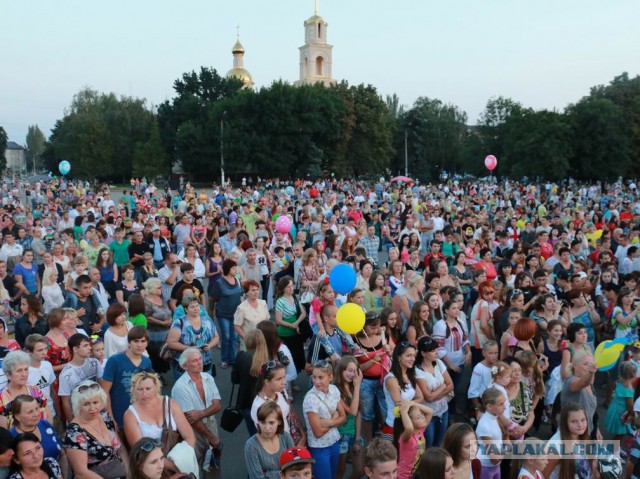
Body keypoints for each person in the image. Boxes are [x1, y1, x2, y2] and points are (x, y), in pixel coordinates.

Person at [171, 348, 222, 478]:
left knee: (213, 465)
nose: (200, 362)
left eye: (200, 359)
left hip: (210, 424)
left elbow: (217, 405)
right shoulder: (180, 387)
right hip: (192, 431)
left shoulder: (208, 378)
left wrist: (200, 414)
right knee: (193, 467)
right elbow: (191, 420)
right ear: (185, 365)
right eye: (194, 360)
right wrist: (211, 437)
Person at [63, 380, 127, 479]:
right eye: (86, 404)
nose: (92, 408)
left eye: (95, 402)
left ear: (101, 401)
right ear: (78, 405)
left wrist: (130, 472)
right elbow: (81, 473)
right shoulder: (74, 432)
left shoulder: (105, 417)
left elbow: (121, 449)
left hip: (119, 471)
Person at [123, 370, 195, 456]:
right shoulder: (130, 415)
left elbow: (190, 437)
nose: (144, 393)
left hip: (179, 458)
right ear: (133, 390)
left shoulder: (171, 404)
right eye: (140, 389)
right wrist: (172, 466)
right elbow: (140, 452)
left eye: (148, 389)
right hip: (151, 464)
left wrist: (183, 460)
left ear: (156, 387)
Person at [99, 326, 152, 430]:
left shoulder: (147, 362)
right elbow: (104, 391)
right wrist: (110, 418)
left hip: (141, 414)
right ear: (129, 342)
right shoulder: (114, 361)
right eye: (136, 341)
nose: (139, 345)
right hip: (118, 413)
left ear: (147, 343)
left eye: (143, 341)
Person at [303, 360, 346, 479]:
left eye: (320, 377)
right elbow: (317, 433)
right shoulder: (310, 399)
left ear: (330, 377)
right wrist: (335, 418)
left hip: (334, 442)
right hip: (319, 448)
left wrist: (327, 422)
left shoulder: (334, 390)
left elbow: (343, 417)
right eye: (314, 377)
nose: (316, 381)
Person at [166, 293, 219, 379]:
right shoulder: (179, 323)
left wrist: (209, 345)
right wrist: (188, 348)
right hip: (185, 365)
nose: (196, 309)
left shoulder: (207, 320)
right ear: (186, 309)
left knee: (204, 390)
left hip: (205, 363)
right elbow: (171, 343)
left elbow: (216, 337)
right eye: (192, 307)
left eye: (197, 306)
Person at [415, 336, 453, 447]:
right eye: (432, 351)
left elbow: (451, 385)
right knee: (429, 444)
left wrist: (435, 394)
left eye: (436, 349)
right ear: (423, 353)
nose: (436, 352)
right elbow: (428, 398)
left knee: (439, 443)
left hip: (443, 410)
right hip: (428, 415)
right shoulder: (418, 371)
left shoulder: (439, 363)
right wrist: (442, 388)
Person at [382, 341, 423, 440]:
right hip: (394, 426)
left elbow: (421, 397)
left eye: (413, 355)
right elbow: (400, 405)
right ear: (398, 357)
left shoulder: (409, 375)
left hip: (409, 423)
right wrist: (411, 403)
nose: (413, 359)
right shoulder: (391, 379)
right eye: (409, 355)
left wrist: (408, 403)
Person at [542, 402, 595, 479]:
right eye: (574, 421)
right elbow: (543, 475)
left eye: (583, 420)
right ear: (565, 423)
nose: (580, 425)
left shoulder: (582, 436)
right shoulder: (555, 446)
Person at [244, 401, 294, 479]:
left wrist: (268, 474)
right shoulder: (251, 445)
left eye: (271, 423)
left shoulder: (286, 437)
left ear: (279, 422)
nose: (267, 428)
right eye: (263, 423)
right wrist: (282, 474)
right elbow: (256, 477)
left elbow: (294, 468)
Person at [0, 352, 50, 429]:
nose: (24, 374)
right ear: (8, 375)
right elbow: (4, 432)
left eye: (26, 369)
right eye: (19, 370)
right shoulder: (2, 401)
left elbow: (49, 417)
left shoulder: (35, 391)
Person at [58, 334, 101, 422]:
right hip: (79, 418)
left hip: (97, 413)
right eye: (85, 345)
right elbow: (66, 402)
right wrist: (73, 423)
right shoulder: (66, 374)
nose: (90, 348)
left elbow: (101, 387)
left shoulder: (95, 363)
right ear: (75, 349)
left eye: (89, 344)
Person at [333, 356, 364, 479]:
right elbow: (352, 411)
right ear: (341, 370)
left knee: (360, 470)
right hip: (341, 436)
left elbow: (359, 414)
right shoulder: (334, 389)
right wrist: (357, 387)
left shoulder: (353, 387)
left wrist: (357, 438)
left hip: (354, 434)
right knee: (340, 471)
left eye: (355, 371)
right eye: (349, 370)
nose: (352, 374)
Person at [233, 329, 268, 436]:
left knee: (253, 435)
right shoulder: (268, 361)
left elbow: (235, 380)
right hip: (265, 405)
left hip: (246, 403)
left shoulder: (241, 356)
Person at [210, 259, 243, 369]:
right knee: (226, 337)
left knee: (234, 337)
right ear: (228, 269)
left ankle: (232, 359)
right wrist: (211, 312)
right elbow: (212, 298)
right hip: (223, 314)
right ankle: (224, 359)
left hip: (236, 314)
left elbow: (241, 295)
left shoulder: (237, 280)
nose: (236, 270)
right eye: (233, 268)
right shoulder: (219, 283)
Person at [9, 395, 61, 463]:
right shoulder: (11, 437)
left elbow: (62, 454)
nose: (36, 414)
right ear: (17, 416)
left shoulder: (45, 424)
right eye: (30, 412)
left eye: (37, 408)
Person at [560, 350, 598, 439]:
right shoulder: (571, 381)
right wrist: (591, 372)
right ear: (575, 365)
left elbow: (591, 411)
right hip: (571, 435)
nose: (589, 367)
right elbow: (582, 383)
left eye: (591, 364)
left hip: (586, 432)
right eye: (586, 364)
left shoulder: (590, 384)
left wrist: (596, 429)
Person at [393, 400, 434, 479]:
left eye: (422, 414)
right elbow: (409, 428)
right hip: (404, 476)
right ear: (409, 422)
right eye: (418, 417)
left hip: (416, 474)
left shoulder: (420, 431)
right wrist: (404, 411)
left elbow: (430, 412)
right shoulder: (406, 438)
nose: (423, 417)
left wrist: (412, 403)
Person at [275, 276, 307, 373]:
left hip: (296, 333)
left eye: (292, 285)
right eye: (288, 286)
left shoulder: (294, 297)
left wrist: (296, 323)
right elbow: (278, 320)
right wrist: (291, 325)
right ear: (283, 288)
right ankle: (290, 382)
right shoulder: (280, 301)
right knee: (289, 359)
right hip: (285, 334)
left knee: (298, 357)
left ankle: (294, 378)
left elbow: (303, 313)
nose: (291, 288)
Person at [476, 388, 510, 479]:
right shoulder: (484, 425)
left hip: (496, 466)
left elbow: (507, 443)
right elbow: (494, 458)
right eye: (501, 404)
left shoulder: (497, 418)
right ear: (489, 406)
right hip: (485, 467)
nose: (505, 407)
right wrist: (506, 450)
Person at [24, 335, 58, 424]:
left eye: (45, 349)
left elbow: (52, 391)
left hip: (52, 412)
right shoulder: (24, 372)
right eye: (40, 350)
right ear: (29, 352)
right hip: (35, 418)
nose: (44, 353)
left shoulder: (47, 365)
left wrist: (58, 412)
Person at [251, 361, 291, 434]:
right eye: (279, 379)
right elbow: (264, 435)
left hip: (288, 436)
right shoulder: (258, 406)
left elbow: (290, 412)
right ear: (267, 382)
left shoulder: (282, 392)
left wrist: (301, 432)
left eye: (284, 377)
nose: (284, 382)